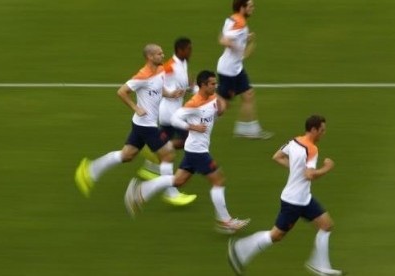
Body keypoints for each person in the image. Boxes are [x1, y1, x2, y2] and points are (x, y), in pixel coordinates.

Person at [124, 70, 250, 234]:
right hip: (198, 151)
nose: (215, 86)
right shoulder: (194, 103)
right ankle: (225, 221)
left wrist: (220, 109)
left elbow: (217, 109)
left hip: (195, 149)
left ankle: (141, 192)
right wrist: (192, 127)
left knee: (178, 181)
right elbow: (175, 118)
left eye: (215, 83)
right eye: (212, 84)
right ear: (203, 85)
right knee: (218, 181)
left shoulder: (210, 97)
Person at [227, 115, 343, 275]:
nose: (324, 133)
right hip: (294, 202)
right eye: (322, 130)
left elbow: (277, 156)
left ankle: (320, 265)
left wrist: (296, 169)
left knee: (326, 225)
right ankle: (240, 249)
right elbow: (310, 175)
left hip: (304, 198)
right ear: (314, 129)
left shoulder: (294, 141)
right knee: (276, 235)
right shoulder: (312, 149)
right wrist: (327, 168)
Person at [74, 44, 184, 198]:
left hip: (141, 124)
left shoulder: (160, 70)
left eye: (162, 53)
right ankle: (171, 193)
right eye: (159, 54)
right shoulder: (142, 76)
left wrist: (170, 94)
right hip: (146, 125)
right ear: (150, 57)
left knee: (127, 155)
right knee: (167, 156)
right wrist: (136, 108)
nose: (163, 55)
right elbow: (121, 92)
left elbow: (159, 88)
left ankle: (90, 169)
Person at [137, 37, 198, 206]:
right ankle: (170, 192)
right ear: (180, 50)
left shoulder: (183, 62)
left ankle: (150, 166)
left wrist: (191, 87)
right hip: (170, 114)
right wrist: (170, 92)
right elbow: (157, 78)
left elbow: (181, 83)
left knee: (168, 145)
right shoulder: (170, 65)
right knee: (185, 142)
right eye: (188, 49)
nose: (190, 52)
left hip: (172, 112)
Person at [216, 0, 272, 139]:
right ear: (242, 8)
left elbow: (227, 34)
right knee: (222, 105)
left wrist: (244, 38)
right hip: (229, 71)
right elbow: (223, 40)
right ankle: (196, 114)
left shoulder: (232, 19)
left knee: (248, 94)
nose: (253, 8)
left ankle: (247, 130)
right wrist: (235, 46)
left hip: (236, 68)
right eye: (250, 6)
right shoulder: (240, 24)